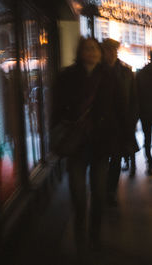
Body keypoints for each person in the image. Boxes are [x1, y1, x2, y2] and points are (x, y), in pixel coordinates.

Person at [50, 37, 120, 254]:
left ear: (100, 54)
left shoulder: (109, 77)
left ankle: (95, 237)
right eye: (86, 48)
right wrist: (57, 135)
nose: (90, 51)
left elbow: (119, 109)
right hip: (76, 145)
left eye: (94, 48)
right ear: (79, 52)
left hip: (100, 144)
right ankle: (81, 238)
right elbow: (56, 109)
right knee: (79, 196)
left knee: (99, 195)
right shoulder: (67, 76)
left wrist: (120, 139)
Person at [102, 38, 139, 206]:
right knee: (102, 159)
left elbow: (133, 99)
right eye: (108, 50)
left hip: (119, 124)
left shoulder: (125, 72)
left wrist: (131, 121)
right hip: (101, 125)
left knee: (116, 158)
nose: (110, 54)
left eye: (113, 50)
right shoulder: (98, 71)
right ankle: (103, 188)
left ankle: (111, 191)